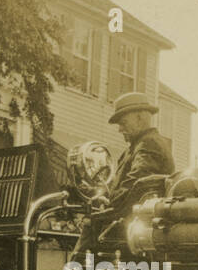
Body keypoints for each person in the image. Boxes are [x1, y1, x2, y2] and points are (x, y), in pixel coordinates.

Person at [73, 91, 175, 260]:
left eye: (123, 123)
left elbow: (136, 184)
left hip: (135, 227)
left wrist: (109, 205)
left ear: (140, 118)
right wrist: (106, 198)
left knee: (90, 223)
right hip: (131, 223)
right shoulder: (138, 146)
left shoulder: (148, 143)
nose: (120, 129)